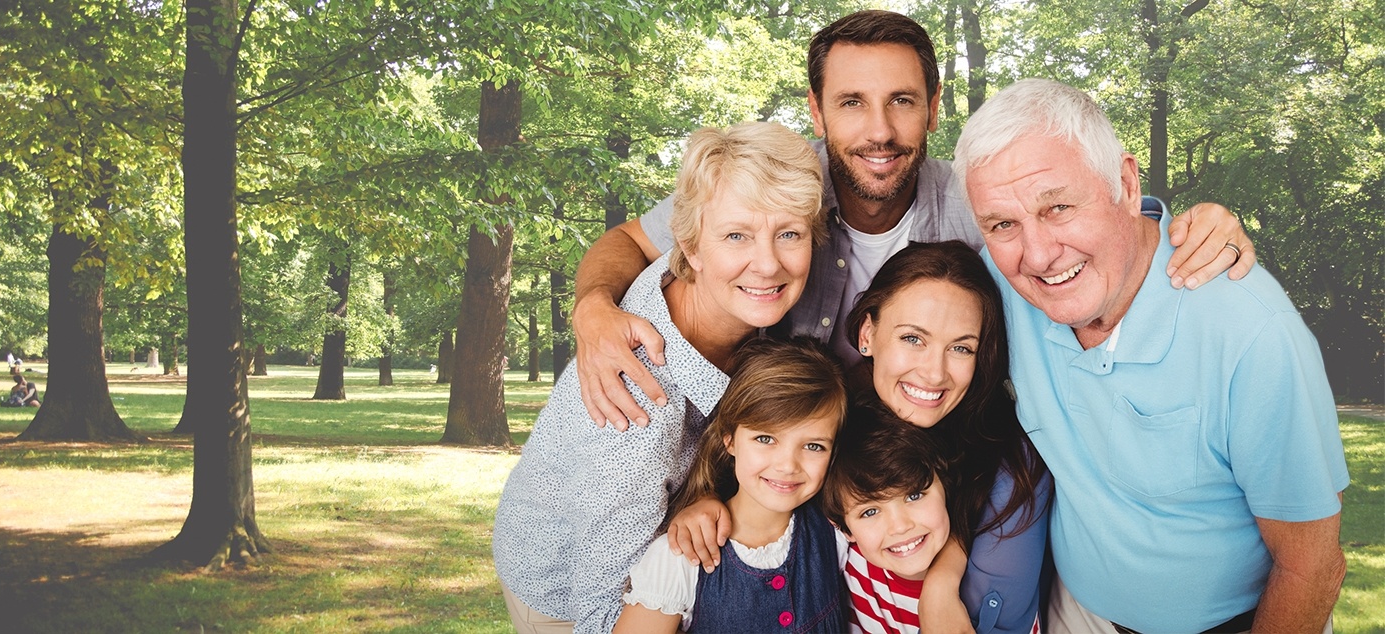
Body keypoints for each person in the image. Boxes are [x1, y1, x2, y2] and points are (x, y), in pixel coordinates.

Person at [570, 9, 1258, 435]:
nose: (879, 130)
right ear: (817, 111)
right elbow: (631, 241)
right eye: (852, 103)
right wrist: (593, 307)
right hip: (761, 451)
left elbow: (1092, 219)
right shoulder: (774, 184)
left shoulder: (969, 201)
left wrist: (1189, 224)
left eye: (901, 100)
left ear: (932, 108)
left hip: (912, 461)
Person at [951, 78, 1349, 633]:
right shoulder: (998, 286)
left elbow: (1312, 567)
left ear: (1126, 182)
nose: (1038, 254)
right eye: (1002, 224)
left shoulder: (1251, 333)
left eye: (1059, 206)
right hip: (1077, 612)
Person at [492, 120, 828, 634]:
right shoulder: (636, 405)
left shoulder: (719, 301)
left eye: (789, 234)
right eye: (737, 236)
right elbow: (604, 607)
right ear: (690, 247)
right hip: (566, 590)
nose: (767, 264)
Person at [672, 241, 1049, 634]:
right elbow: (763, 456)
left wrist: (942, 580)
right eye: (913, 339)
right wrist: (706, 501)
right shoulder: (832, 418)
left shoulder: (1003, 456)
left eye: (961, 348)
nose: (935, 373)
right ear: (867, 333)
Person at [615, 337, 849, 634]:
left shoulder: (836, 533)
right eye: (765, 439)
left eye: (814, 446)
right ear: (729, 439)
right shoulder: (679, 558)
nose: (788, 465)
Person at [819, 401, 957, 634]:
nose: (901, 526)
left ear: (944, 484)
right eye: (870, 512)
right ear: (844, 528)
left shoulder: (986, 567)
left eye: (914, 495)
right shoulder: (852, 566)